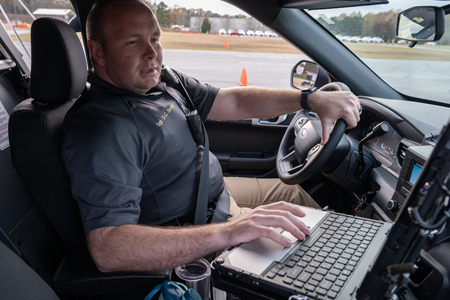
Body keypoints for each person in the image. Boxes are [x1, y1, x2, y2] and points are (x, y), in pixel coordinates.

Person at [61, 0, 361, 273]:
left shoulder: (164, 81)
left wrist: (310, 100)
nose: (152, 54)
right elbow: (109, 249)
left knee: (297, 196)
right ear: (98, 52)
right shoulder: (101, 130)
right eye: (132, 43)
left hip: (218, 196)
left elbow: (232, 102)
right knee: (306, 258)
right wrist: (230, 231)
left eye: (155, 39)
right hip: (197, 230)